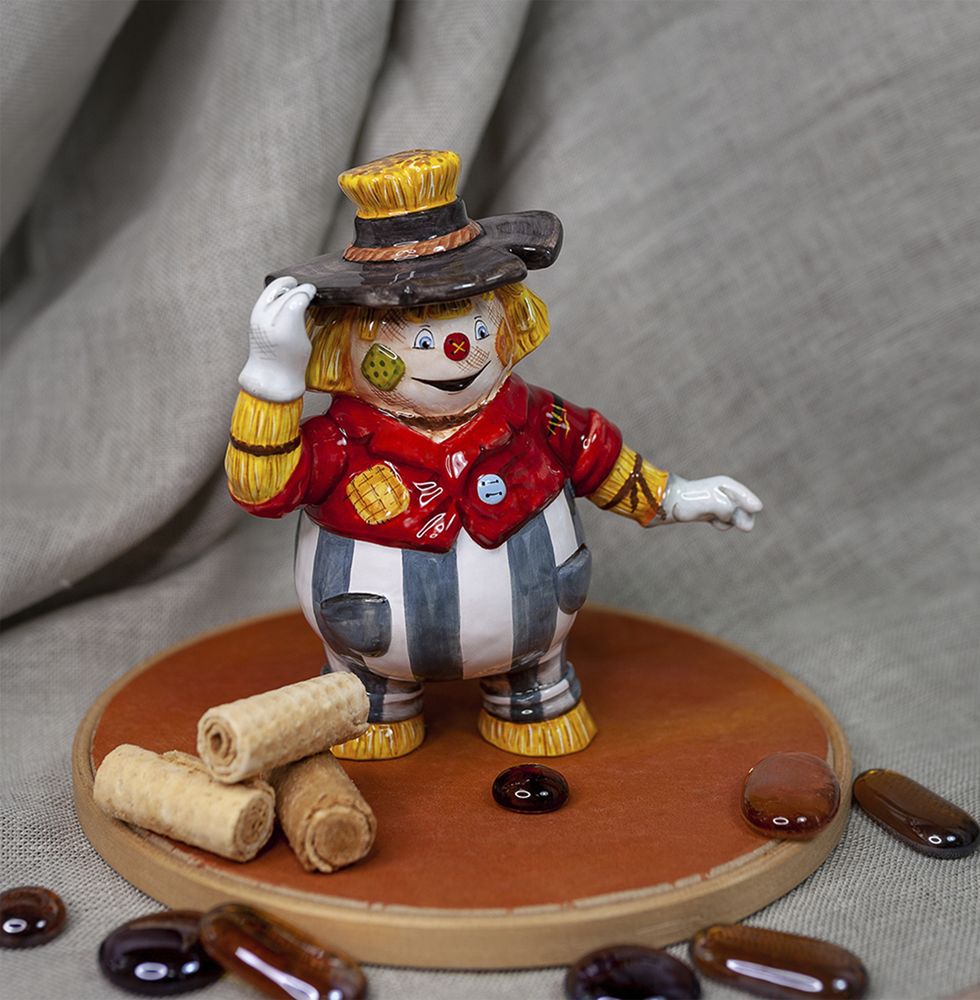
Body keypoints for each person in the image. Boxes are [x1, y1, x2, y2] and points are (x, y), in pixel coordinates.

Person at [225, 150, 761, 760]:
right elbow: (260, 488)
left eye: (480, 329)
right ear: (342, 349)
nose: (459, 353)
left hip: (536, 637)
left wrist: (675, 496)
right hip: (368, 641)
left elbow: (598, 456)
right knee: (367, 706)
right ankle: (374, 701)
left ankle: (530, 693)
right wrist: (271, 382)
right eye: (419, 340)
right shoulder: (339, 445)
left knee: (537, 690)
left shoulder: (536, 419)